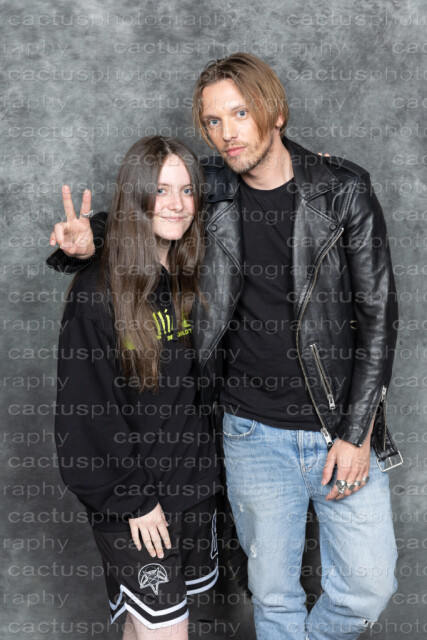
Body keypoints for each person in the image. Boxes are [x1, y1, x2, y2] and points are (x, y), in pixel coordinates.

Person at [47, 53, 402, 640]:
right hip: (248, 433)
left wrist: (357, 431)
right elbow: (153, 208)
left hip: (336, 427)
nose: (228, 132)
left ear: (276, 112)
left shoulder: (342, 191)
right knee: (274, 595)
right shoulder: (213, 188)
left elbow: (378, 319)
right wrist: (88, 240)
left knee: (368, 586)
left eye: (241, 113)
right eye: (213, 121)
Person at [52, 135, 223, 639]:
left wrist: (310, 169)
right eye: (161, 190)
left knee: (146, 624)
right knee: (166, 632)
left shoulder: (192, 274)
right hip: (136, 501)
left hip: (193, 490)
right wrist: (134, 500)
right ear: (136, 196)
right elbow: (85, 412)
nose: (176, 204)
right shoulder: (97, 292)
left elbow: (254, 183)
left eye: (187, 191)